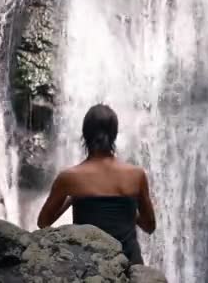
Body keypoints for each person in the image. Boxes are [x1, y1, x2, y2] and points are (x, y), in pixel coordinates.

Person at [36, 104, 156, 265]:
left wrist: (72, 199)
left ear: (85, 135)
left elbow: (43, 222)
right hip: (130, 267)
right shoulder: (136, 175)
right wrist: (128, 209)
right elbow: (149, 226)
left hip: (89, 269)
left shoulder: (69, 178)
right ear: (114, 135)